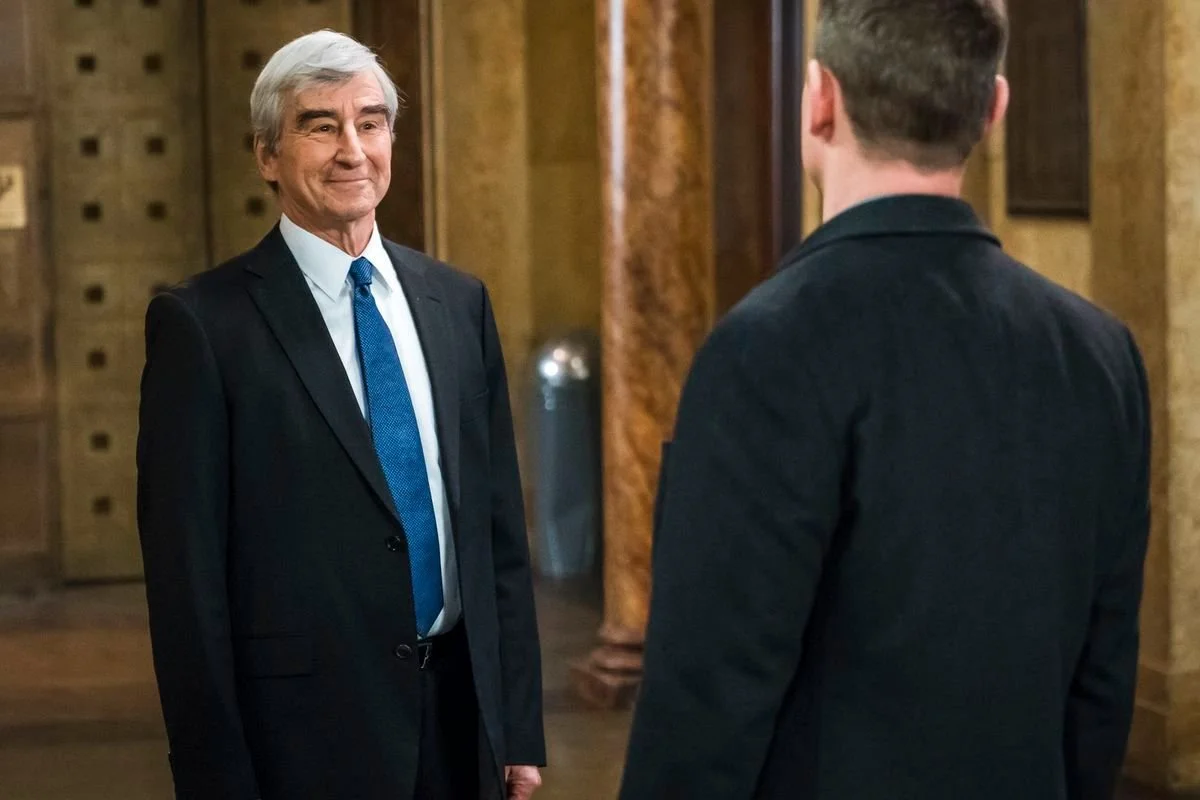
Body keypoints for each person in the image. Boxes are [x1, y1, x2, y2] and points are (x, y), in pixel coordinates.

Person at [619, 1, 1150, 798]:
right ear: (994, 109)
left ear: (819, 99)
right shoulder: (1102, 354)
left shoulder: (763, 349)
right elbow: (1101, 690)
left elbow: (705, 705)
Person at [137, 30, 544, 800]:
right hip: (302, 744)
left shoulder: (458, 302)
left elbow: (497, 534)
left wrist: (516, 722)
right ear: (268, 155)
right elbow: (187, 583)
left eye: (370, 123)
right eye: (321, 126)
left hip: (461, 725)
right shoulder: (204, 327)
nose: (352, 150)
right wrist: (215, 776)